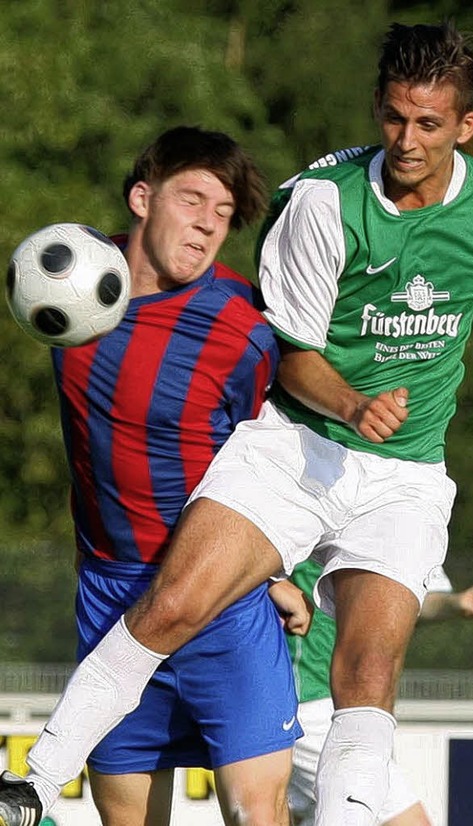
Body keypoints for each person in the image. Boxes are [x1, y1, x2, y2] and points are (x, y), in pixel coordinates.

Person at [2, 20, 473, 826]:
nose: (407, 140)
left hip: (406, 477)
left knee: (368, 671)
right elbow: (292, 354)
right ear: (379, 108)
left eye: (429, 125)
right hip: (298, 446)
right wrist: (351, 404)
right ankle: (35, 781)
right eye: (394, 118)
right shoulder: (323, 204)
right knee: (171, 606)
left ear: (465, 127)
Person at [0, 126, 310, 826]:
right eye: (193, 197)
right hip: (111, 595)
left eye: (224, 212)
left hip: (221, 599)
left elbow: (274, 453)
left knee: (258, 813)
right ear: (143, 197)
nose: (207, 222)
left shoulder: (245, 324)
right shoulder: (66, 285)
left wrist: (274, 569)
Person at [286, 560, 473, 826]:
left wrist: (457, 603)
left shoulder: (415, 523)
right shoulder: (311, 526)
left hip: (361, 707)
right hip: (311, 703)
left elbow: (409, 598)